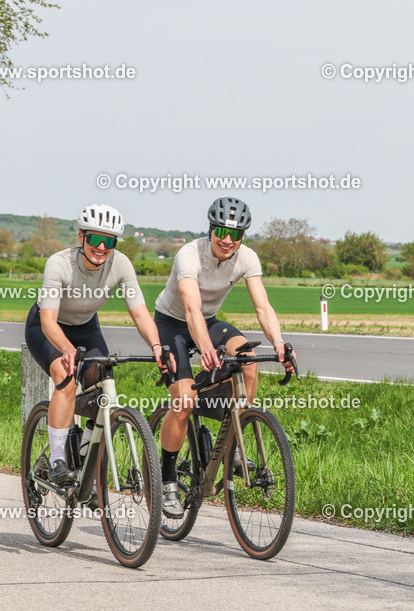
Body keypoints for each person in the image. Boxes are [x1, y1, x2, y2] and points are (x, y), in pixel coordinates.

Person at [155, 197, 293, 518]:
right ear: (210, 229)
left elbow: (263, 307)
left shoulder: (246, 257)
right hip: (172, 323)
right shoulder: (189, 254)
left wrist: (281, 342)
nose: (228, 240)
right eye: (221, 231)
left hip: (210, 320)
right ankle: (167, 479)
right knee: (185, 400)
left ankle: (234, 441)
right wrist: (204, 347)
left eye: (236, 234)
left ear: (243, 236)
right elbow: (190, 307)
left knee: (248, 358)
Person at [24, 204, 171, 487]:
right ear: (81, 238)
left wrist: (156, 345)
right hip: (47, 328)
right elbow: (48, 321)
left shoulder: (121, 264)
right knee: (66, 380)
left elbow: (140, 313)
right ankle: (56, 460)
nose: (101, 246)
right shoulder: (58, 263)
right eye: (94, 239)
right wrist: (66, 350)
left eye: (110, 241)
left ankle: (84, 447)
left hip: (87, 328)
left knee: (103, 381)